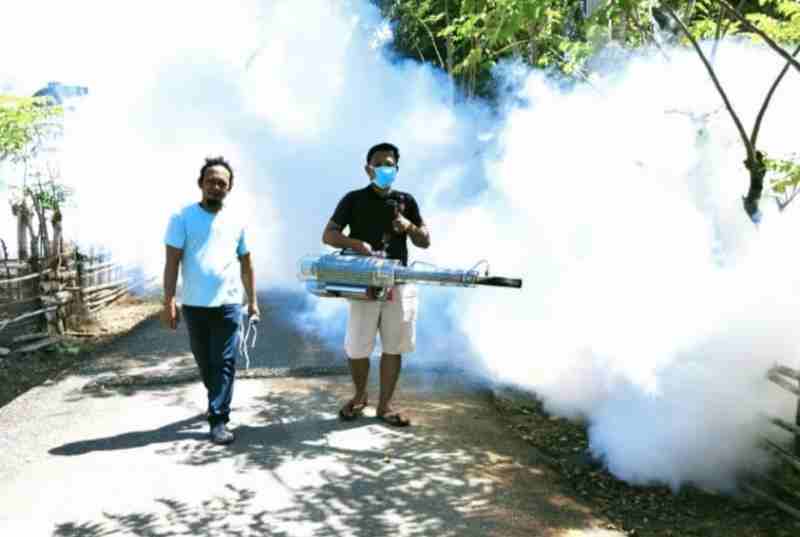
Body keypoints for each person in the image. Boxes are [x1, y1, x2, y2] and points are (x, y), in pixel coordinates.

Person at [322, 142, 430, 426]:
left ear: (396, 169)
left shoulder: (407, 201)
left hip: (400, 283)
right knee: (358, 347)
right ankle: (359, 397)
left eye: (390, 164)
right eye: (379, 164)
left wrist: (408, 227)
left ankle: (386, 405)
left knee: (394, 346)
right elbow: (329, 235)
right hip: (364, 283)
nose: (385, 168)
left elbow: (425, 240)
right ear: (368, 168)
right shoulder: (353, 199)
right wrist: (353, 243)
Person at [162, 156, 259, 445]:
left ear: (229, 188)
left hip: (228, 304)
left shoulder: (237, 221)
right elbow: (172, 263)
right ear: (200, 184)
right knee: (206, 362)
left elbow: (247, 264)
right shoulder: (181, 218)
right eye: (211, 181)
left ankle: (218, 419)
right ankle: (215, 396)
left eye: (222, 183)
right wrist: (168, 301)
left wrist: (252, 300)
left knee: (225, 360)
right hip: (194, 304)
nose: (216, 186)